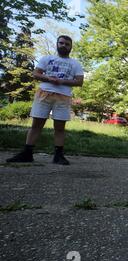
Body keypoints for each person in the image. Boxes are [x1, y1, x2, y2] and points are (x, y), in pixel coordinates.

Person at [6, 35, 84, 165]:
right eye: (61, 43)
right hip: (44, 94)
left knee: (60, 127)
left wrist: (62, 81)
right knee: (36, 124)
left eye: (67, 44)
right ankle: (27, 154)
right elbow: (35, 74)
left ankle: (58, 156)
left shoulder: (75, 63)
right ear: (57, 44)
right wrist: (49, 79)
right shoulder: (47, 58)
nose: (64, 46)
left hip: (63, 97)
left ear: (71, 47)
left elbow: (80, 81)